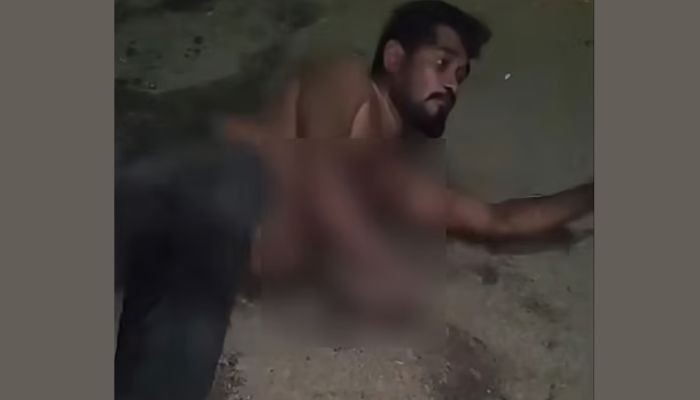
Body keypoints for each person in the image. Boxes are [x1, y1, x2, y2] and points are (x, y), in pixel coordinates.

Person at [227, 0, 594, 308]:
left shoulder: (395, 170)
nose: (452, 85)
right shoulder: (344, 81)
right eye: (441, 64)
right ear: (394, 58)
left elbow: (498, 221)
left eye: (460, 75)